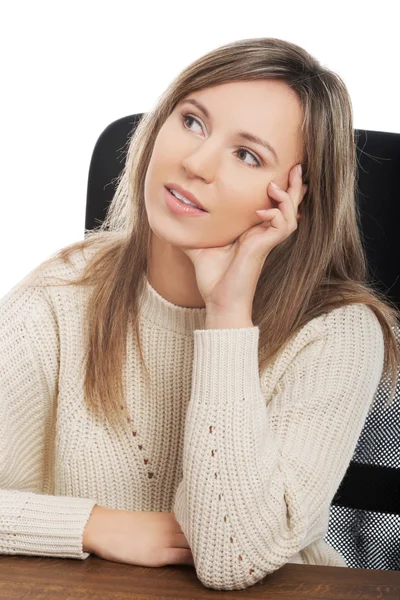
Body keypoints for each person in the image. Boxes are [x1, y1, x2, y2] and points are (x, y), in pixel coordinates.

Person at [0, 37, 398, 592]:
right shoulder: (65, 291)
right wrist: (92, 525)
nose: (195, 163)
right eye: (192, 121)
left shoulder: (337, 334)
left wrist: (228, 312)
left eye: (247, 155)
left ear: (295, 202)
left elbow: (229, 559)